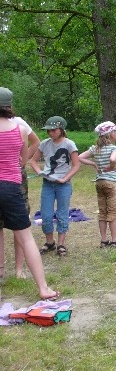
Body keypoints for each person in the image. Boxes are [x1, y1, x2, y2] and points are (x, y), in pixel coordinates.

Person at [0, 88, 60, 300]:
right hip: (11, 188)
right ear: (9, 105)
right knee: (26, 238)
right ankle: (43, 288)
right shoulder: (20, 130)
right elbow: (23, 160)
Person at [28, 116, 80, 258]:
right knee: (46, 214)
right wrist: (39, 172)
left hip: (63, 185)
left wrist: (65, 178)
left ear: (61, 129)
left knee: (62, 213)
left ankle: (61, 244)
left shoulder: (69, 144)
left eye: (53, 130)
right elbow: (33, 161)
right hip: (48, 184)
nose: (50, 133)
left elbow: (76, 165)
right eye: (48, 130)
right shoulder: (44, 144)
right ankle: (50, 242)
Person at [0, 93, 39, 279]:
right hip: (10, 180)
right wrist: (21, 160)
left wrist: (21, 162)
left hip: (15, 178)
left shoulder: (19, 123)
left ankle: (19, 268)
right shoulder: (18, 126)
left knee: (19, 226)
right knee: (18, 228)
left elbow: (35, 142)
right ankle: (2, 269)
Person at [79, 121, 116, 247]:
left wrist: (94, 164)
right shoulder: (115, 148)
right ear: (110, 134)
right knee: (113, 213)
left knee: (102, 212)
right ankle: (114, 240)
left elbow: (80, 157)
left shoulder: (95, 149)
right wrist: (112, 166)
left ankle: (104, 240)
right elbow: (113, 159)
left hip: (99, 183)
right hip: (112, 183)